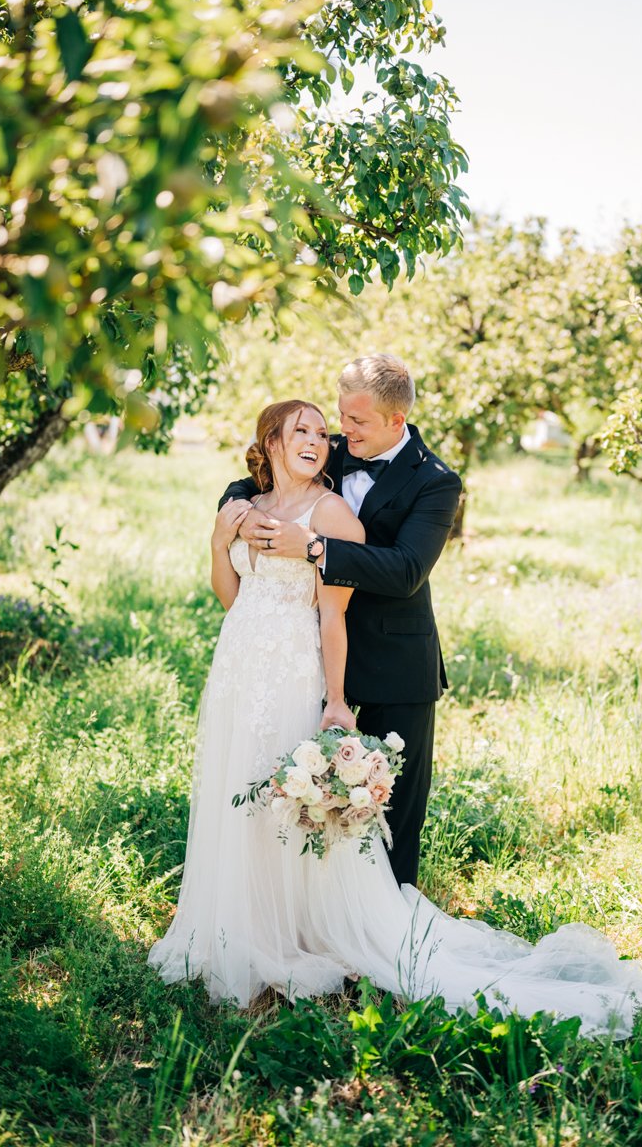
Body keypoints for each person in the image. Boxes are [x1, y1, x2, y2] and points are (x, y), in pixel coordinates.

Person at [147, 397, 642, 1036]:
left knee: (285, 805)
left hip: (290, 675)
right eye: (301, 429)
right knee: (239, 797)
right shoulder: (249, 505)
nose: (319, 438)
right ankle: (240, 928)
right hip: (235, 674)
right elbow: (232, 596)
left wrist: (336, 702)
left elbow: (333, 615)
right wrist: (220, 536)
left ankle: (299, 939)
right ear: (271, 443)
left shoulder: (332, 509)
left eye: (322, 429)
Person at [220, 354, 462, 887]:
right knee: (309, 799)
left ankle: (393, 934)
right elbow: (255, 478)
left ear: (396, 421)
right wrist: (241, 509)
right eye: (340, 417)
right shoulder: (333, 450)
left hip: (395, 660)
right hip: (311, 655)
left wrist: (313, 546)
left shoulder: (437, 482)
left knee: (388, 803)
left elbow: (405, 571)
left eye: (357, 422)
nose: (341, 432)